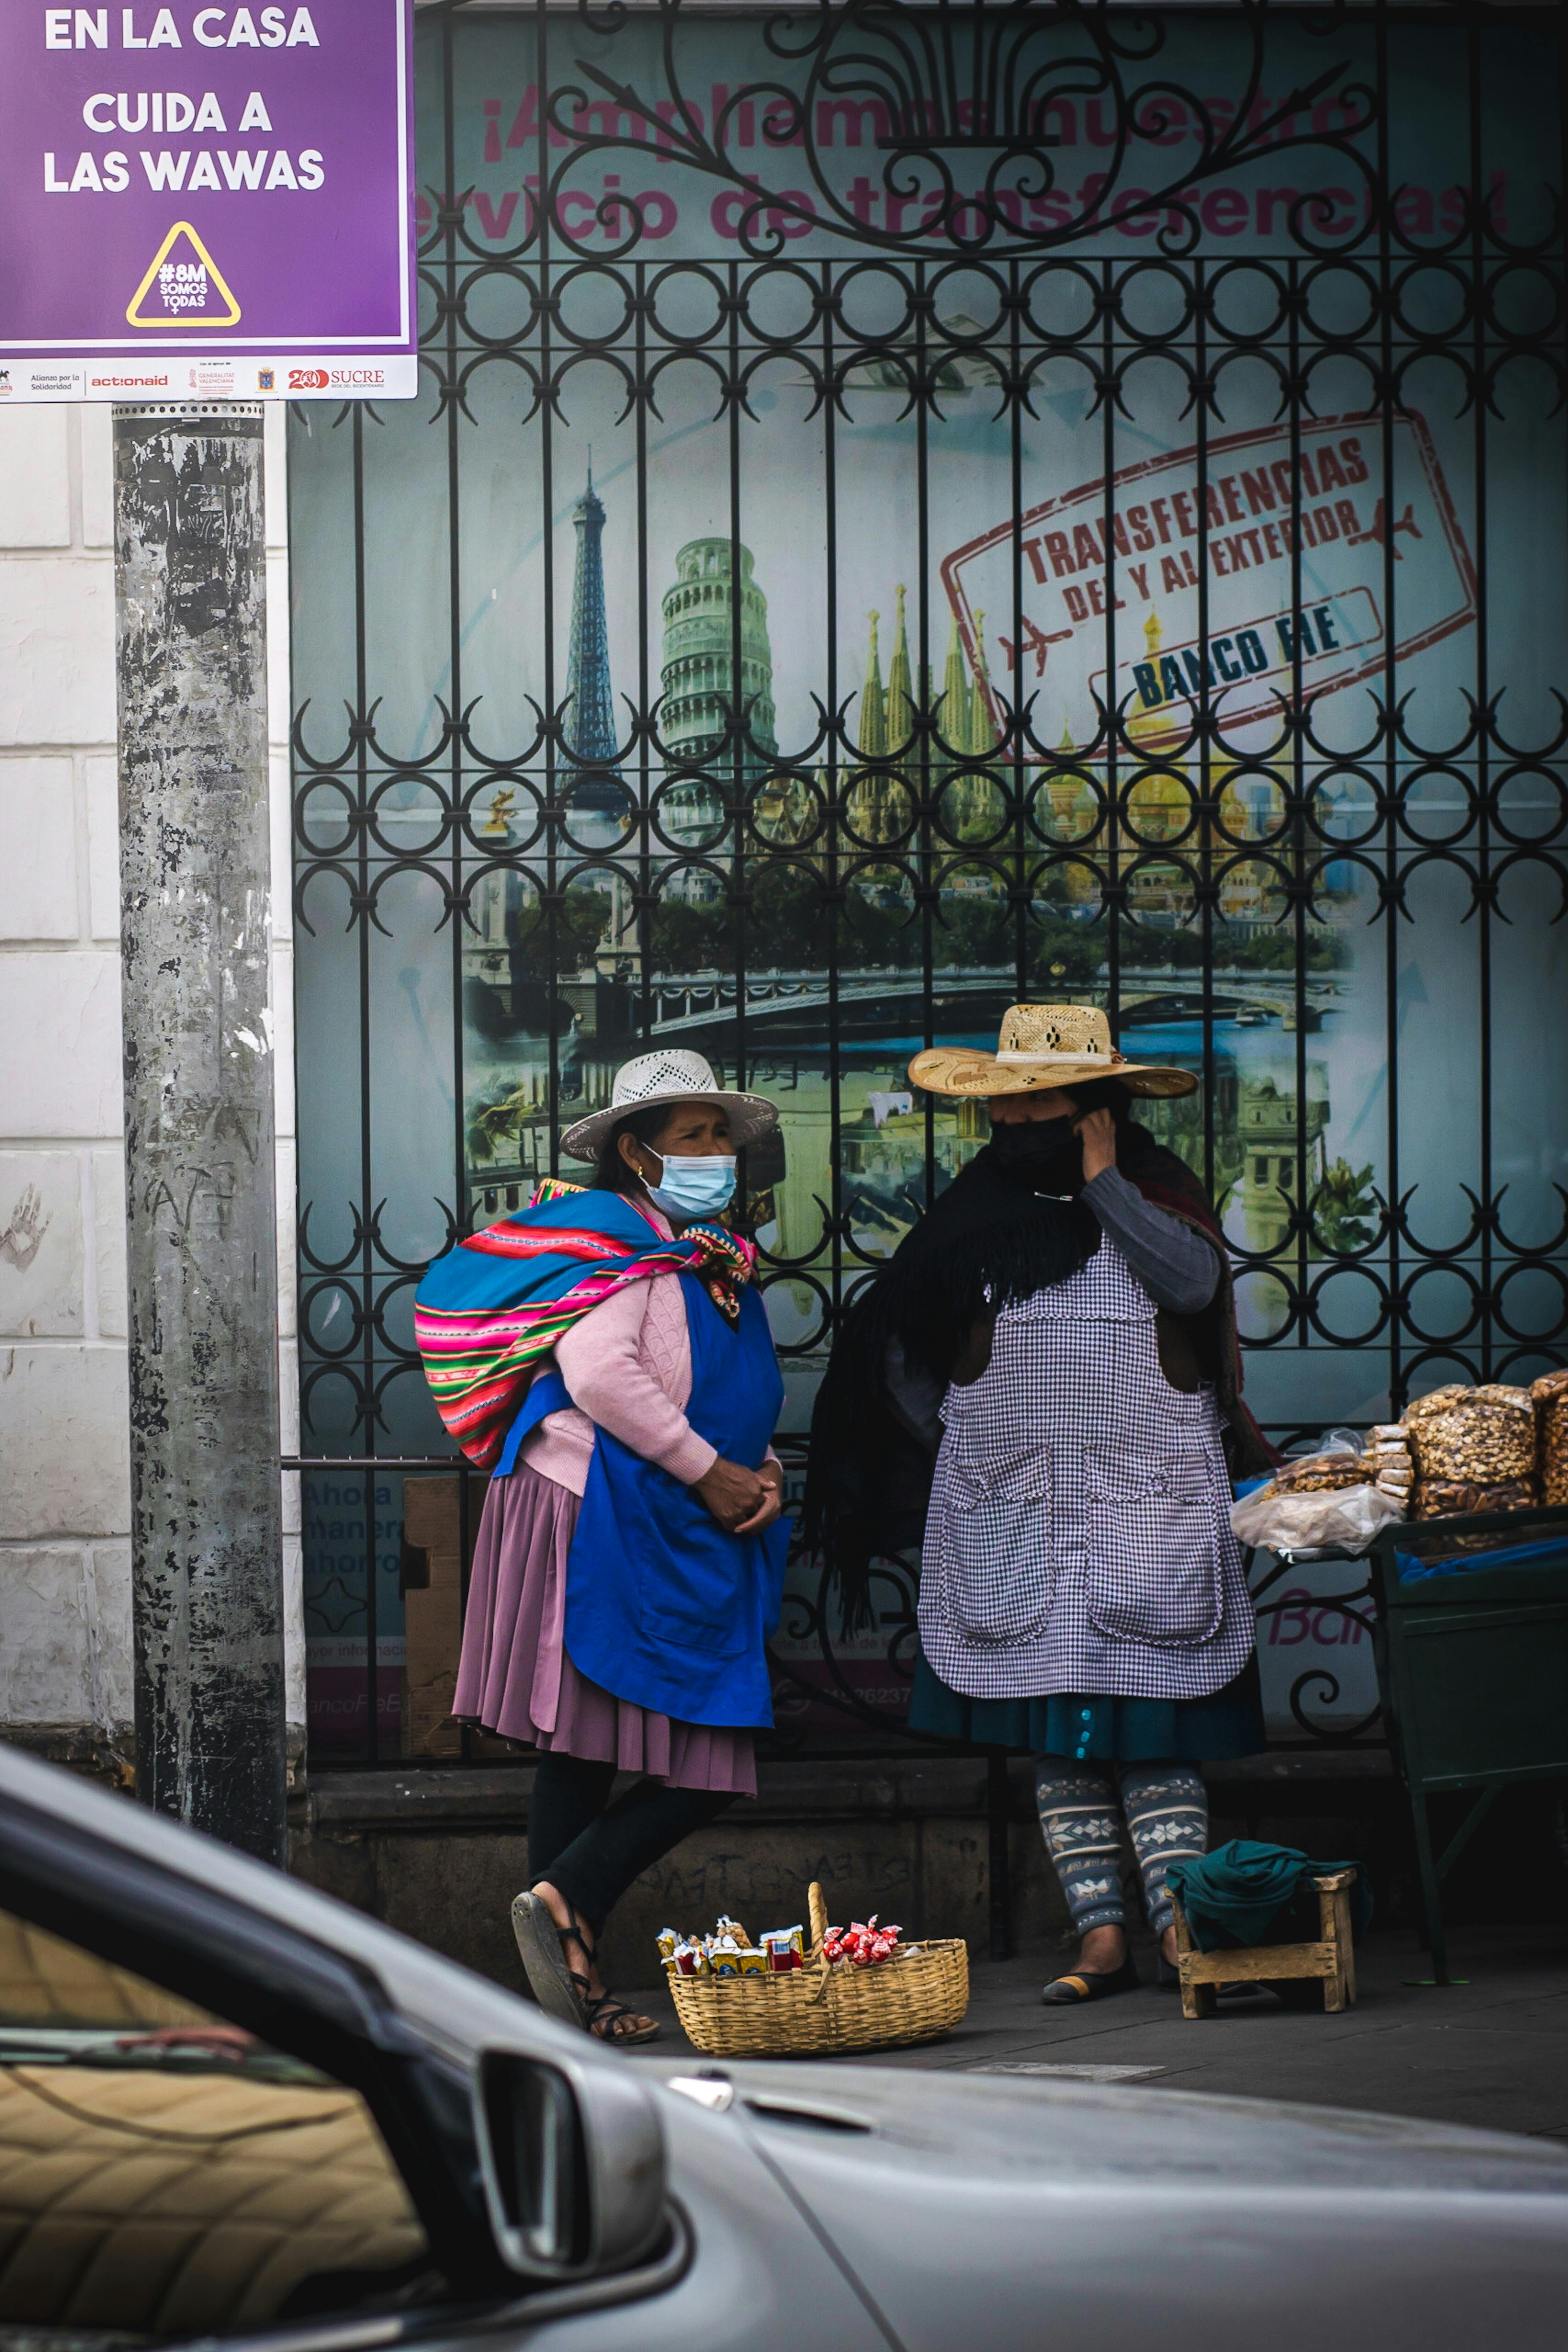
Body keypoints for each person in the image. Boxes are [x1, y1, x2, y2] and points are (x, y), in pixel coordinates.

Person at [808, 1003, 1273, 2003]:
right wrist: (976, 1449)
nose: (1020, 1127)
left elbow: (1192, 1287)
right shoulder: (974, 1216)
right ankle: (1100, 1939)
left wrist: (1104, 1184)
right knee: (1055, 1742)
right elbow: (894, 1351)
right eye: (1008, 1109)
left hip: (1149, 1516)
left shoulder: (1157, 1199)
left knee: (1156, 1733)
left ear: (1096, 1110)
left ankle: (1180, 1928)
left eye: (1046, 1105)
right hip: (1019, 1518)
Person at [414, 1049, 789, 2043]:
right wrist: (711, 1470)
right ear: (638, 1152)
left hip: (657, 1507)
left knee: (602, 1749)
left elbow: (711, 1389)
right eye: (696, 1136)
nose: (719, 1152)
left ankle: (564, 1936)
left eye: (724, 1135)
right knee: (652, 1749)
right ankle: (569, 1937)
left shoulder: (699, 1250)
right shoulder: (622, 1245)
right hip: (592, 1509)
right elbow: (600, 1372)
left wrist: (762, 1470)